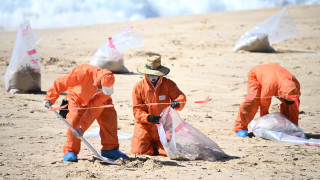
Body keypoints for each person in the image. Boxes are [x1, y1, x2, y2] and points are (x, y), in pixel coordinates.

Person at [43, 64, 129, 161]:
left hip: (97, 100)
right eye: (103, 88)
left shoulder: (105, 92)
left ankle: (110, 149)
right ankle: (70, 151)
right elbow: (61, 82)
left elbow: (94, 109)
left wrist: (82, 128)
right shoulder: (83, 73)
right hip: (77, 98)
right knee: (74, 120)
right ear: (98, 83)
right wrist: (50, 98)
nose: (104, 90)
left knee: (109, 118)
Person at [131, 53, 187, 156]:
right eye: (150, 74)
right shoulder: (138, 87)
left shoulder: (168, 84)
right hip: (145, 126)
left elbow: (181, 97)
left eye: (155, 74)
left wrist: (177, 103)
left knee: (168, 152)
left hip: (164, 125)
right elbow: (136, 110)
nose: (153, 77)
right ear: (146, 73)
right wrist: (148, 118)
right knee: (137, 152)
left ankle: (158, 146)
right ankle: (152, 147)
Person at [234, 63, 301, 138]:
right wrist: (264, 123)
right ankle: (240, 128)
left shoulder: (295, 83)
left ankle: (289, 128)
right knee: (251, 100)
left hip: (275, 75)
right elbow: (264, 103)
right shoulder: (270, 85)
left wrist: (295, 128)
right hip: (257, 75)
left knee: (290, 105)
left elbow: (294, 106)